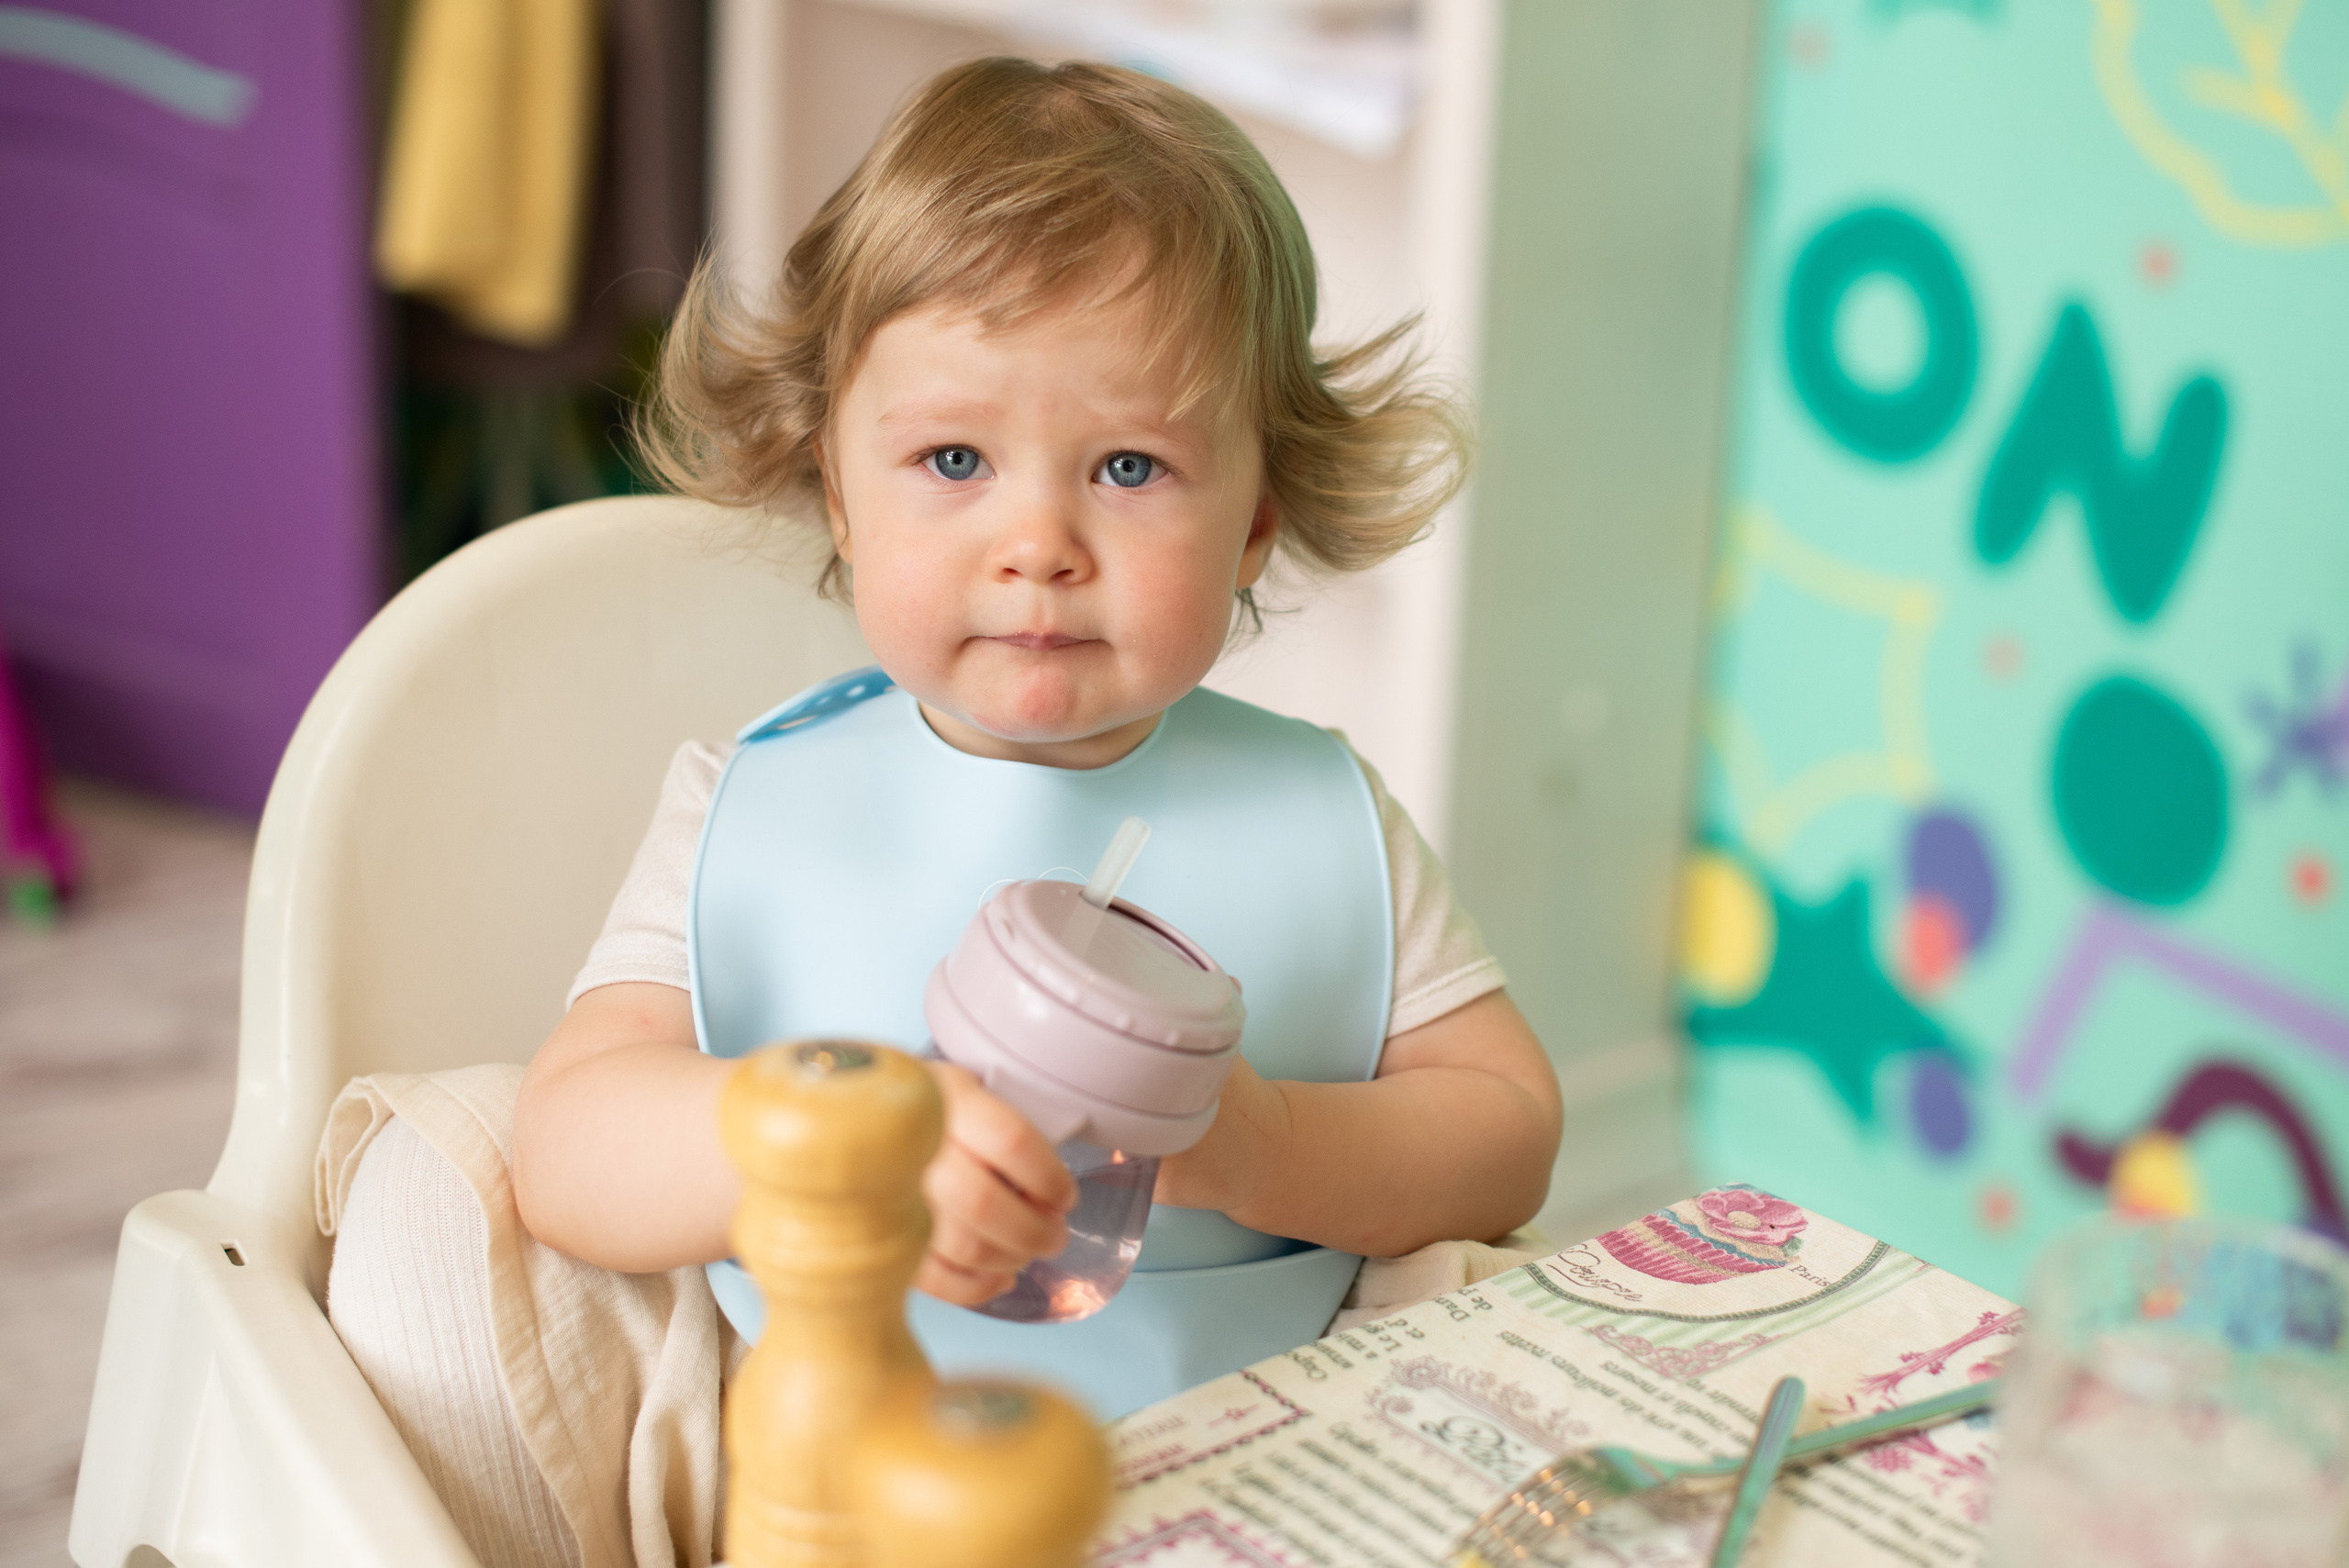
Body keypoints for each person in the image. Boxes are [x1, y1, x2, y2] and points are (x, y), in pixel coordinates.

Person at [322, 56, 1562, 1568]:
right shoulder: (757, 798)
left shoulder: (1320, 812)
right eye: (954, 461)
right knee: (430, 1194)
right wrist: (823, 1156)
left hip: (1253, 1454)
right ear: (839, 491)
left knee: (1504, 1306)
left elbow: (1507, 1136)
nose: (1037, 542)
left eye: (1129, 465)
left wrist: (1257, 1144)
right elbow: (571, 1146)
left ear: (1253, 519)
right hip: (821, 1456)